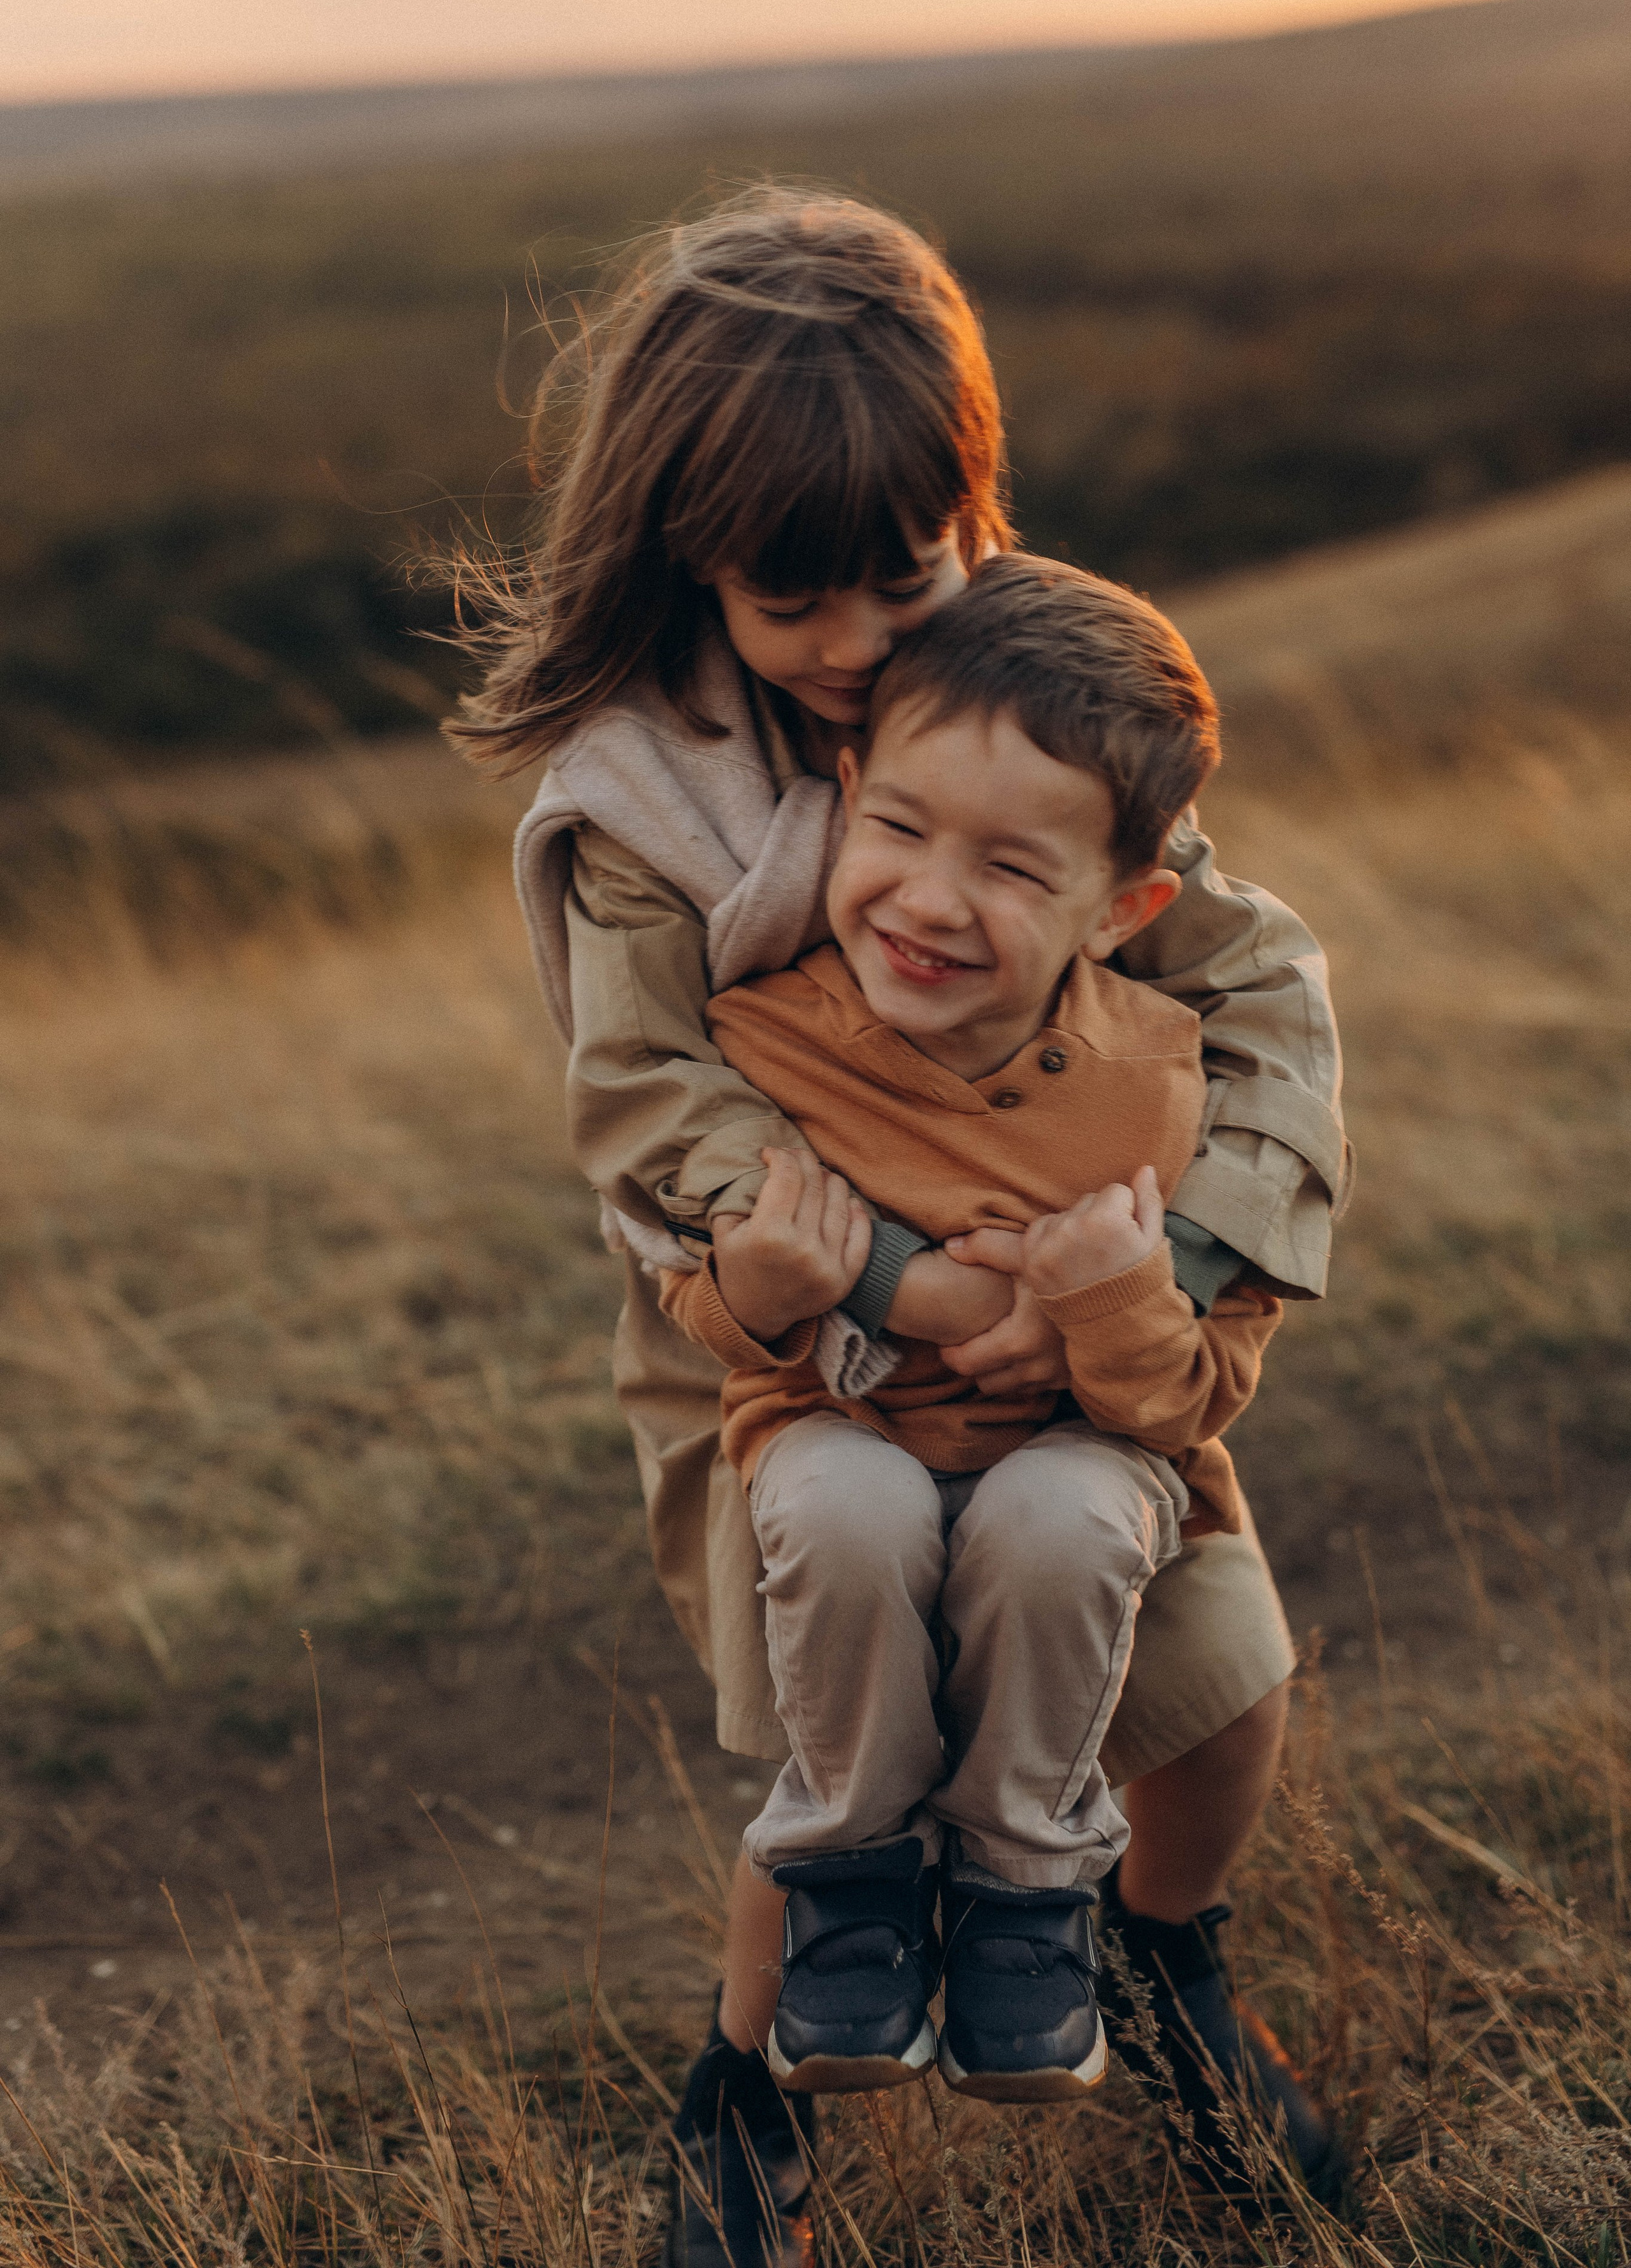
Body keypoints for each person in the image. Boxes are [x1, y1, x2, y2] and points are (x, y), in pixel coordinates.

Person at [447, 187, 1351, 2262]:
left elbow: (1247, 981)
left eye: (903, 580)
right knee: (838, 1727)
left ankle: (1160, 1959)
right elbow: (648, 1106)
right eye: (798, 604)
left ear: (974, 512)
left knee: (1217, 1680)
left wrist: (1172, 1268)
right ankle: (751, 2103)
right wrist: (892, 1280)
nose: (861, 652)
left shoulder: (1019, 690)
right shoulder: (639, 803)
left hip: (1065, 1300)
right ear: (689, 553)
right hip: (775, 1332)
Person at [658, 554, 1284, 2117]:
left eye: (1013, 869)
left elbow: (1195, 1395)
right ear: (846, 795)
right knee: (844, 1510)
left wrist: (1106, 1296)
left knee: (1072, 1523)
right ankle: (829, 1925)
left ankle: (1034, 1900)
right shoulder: (765, 1037)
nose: (931, 902)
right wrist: (773, 1289)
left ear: (1126, 907)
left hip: (1079, 1464)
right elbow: (702, 1306)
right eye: (898, 831)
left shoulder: (1166, 1082)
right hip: (841, 1445)